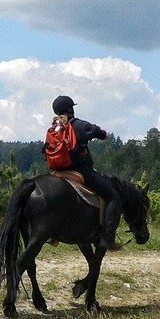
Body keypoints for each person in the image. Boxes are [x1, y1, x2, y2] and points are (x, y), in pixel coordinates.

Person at [51, 95, 121, 250]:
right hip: (80, 170)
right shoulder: (78, 125)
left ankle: (52, 233)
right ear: (70, 109)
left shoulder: (54, 127)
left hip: (58, 171)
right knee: (113, 197)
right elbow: (96, 131)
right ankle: (107, 238)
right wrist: (103, 134)